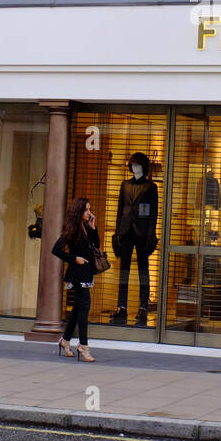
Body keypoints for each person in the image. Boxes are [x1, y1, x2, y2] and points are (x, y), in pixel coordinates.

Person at [110, 152, 158, 326]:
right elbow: (119, 209)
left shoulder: (151, 187)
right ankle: (121, 306)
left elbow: (153, 214)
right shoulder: (124, 185)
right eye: (133, 165)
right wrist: (117, 232)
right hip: (125, 231)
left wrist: (151, 235)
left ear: (144, 167)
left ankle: (143, 307)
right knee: (124, 270)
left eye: (138, 165)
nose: (135, 167)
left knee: (143, 271)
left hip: (142, 233)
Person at [52, 197, 101, 362]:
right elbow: (56, 250)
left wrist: (94, 228)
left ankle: (65, 341)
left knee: (77, 309)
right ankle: (83, 346)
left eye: (89, 209)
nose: (89, 212)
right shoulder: (72, 229)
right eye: (86, 210)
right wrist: (74, 259)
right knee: (84, 309)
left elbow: (97, 245)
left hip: (86, 273)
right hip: (78, 274)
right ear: (79, 211)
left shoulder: (87, 227)